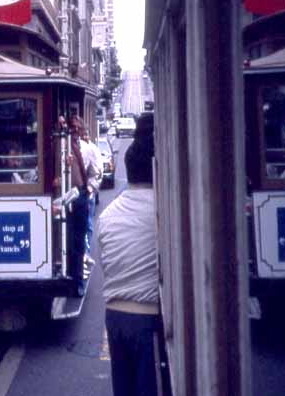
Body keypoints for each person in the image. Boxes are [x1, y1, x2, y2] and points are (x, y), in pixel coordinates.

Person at [97, 133, 159, 396]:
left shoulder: (108, 214)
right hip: (149, 317)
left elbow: (106, 263)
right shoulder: (164, 209)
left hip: (115, 317)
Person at [67, 114, 100, 296]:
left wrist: (89, 188)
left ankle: (78, 281)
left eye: (78, 129)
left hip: (80, 196)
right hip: (63, 197)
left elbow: (95, 174)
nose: (76, 132)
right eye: (72, 129)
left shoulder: (88, 149)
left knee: (78, 240)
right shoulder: (60, 147)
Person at [80, 127, 103, 270]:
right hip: (77, 194)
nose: (84, 137)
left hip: (87, 194)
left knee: (87, 224)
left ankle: (86, 253)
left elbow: (97, 172)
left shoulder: (92, 149)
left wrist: (91, 188)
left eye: (85, 134)